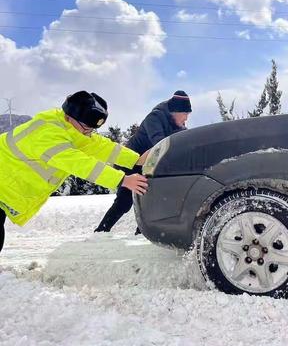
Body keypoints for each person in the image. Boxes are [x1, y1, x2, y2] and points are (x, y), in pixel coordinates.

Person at [0, 91, 149, 252]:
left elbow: (102, 146)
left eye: (92, 129)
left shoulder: (72, 129)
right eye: (86, 128)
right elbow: (79, 164)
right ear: (69, 116)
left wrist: (136, 159)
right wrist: (123, 180)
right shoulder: (47, 133)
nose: (88, 133)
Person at [94, 90, 192, 233]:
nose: (186, 119)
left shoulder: (177, 125)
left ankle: (141, 233)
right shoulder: (155, 118)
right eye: (185, 114)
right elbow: (159, 143)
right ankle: (101, 231)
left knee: (152, 199)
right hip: (131, 162)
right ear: (176, 111)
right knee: (124, 201)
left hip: (149, 164)